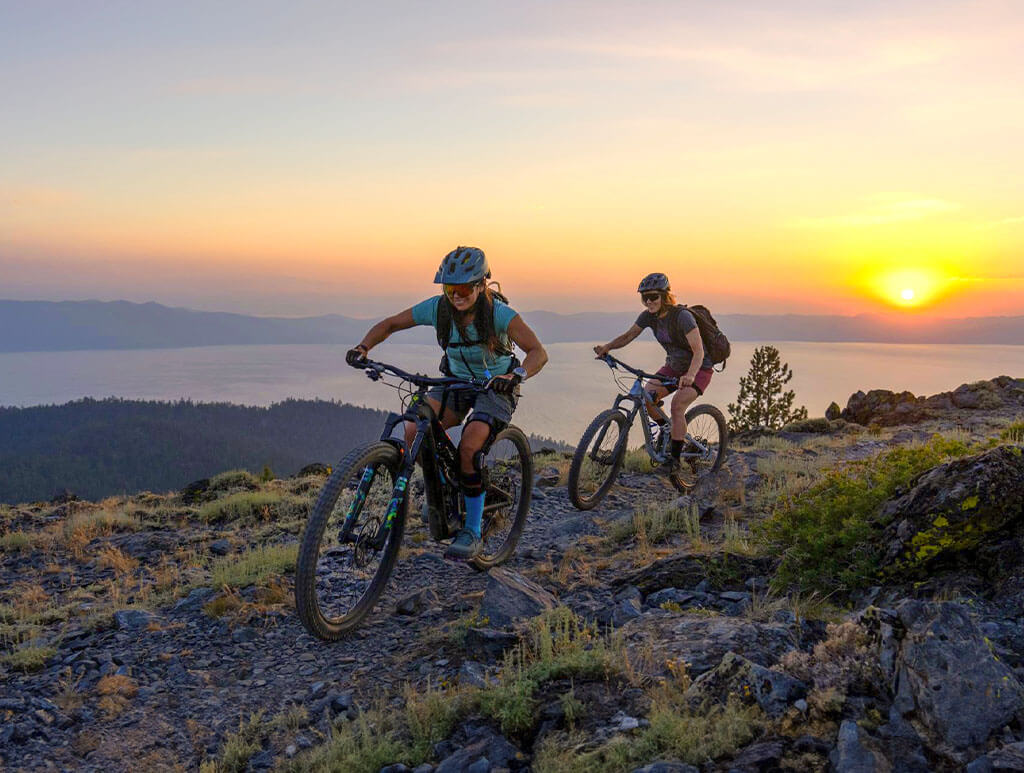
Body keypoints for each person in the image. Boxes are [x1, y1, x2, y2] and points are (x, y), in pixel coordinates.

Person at [345, 246, 547, 560]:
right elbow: (391, 324)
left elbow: (538, 352)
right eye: (450, 288)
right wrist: (363, 347)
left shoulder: (499, 314)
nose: (456, 296)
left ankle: (473, 531)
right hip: (454, 382)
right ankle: (441, 493)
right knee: (412, 430)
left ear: (481, 285)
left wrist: (516, 375)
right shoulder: (438, 309)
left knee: (469, 446)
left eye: (464, 289)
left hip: (495, 387)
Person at [593, 273, 713, 473]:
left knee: (677, 406)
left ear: (665, 296)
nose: (648, 301)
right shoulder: (649, 316)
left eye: (653, 296)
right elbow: (629, 336)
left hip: (699, 368)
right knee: (647, 398)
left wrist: (691, 375)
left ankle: (675, 461)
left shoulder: (682, 317)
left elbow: (698, 351)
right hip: (673, 367)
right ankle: (669, 431)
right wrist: (608, 347)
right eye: (644, 297)